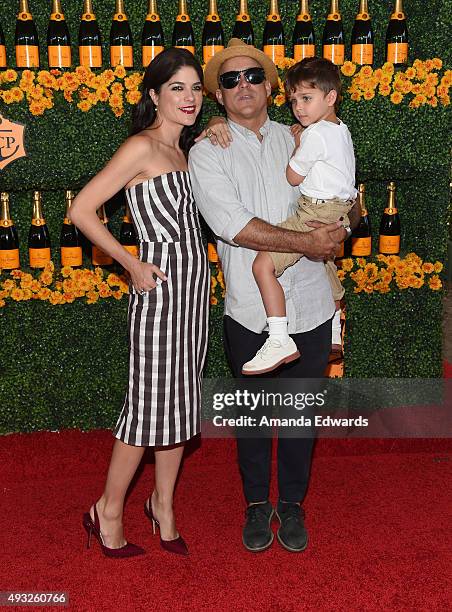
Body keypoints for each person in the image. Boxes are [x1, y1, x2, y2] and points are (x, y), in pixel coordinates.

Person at [189, 39, 360, 553]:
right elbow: (231, 225)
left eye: (253, 76)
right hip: (248, 307)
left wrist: (342, 225)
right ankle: (255, 505)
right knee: (254, 419)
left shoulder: (305, 136)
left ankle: (292, 503)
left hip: (309, 302)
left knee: (302, 415)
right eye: (230, 79)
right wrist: (309, 241)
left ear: (271, 88)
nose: (243, 85)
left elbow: (348, 203)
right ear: (219, 96)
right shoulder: (206, 150)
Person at [70, 48, 209, 558]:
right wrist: (130, 263)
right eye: (177, 88)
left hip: (194, 289)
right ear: (154, 94)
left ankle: (162, 505)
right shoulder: (141, 148)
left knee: (181, 403)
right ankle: (107, 508)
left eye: (196, 88)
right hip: (157, 290)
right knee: (148, 406)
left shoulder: (188, 152)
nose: (189, 98)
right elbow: (82, 210)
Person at [242, 57, 357, 375]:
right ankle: (335, 329)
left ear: (330, 97)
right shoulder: (340, 130)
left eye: (307, 98)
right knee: (324, 264)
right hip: (338, 209)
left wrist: (297, 144)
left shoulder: (315, 135)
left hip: (315, 210)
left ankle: (279, 338)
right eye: (294, 101)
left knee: (262, 264)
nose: (299, 108)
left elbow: (293, 177)